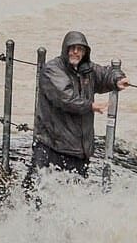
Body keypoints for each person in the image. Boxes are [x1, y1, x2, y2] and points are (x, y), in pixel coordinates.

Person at [31, 30, 129, 178]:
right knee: (34, 193)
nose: (75, 52)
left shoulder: (87, 69)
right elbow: (66, 98)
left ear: (85, 52)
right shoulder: (52, 70)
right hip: (52, 147)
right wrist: (91, 106)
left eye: (80, 49)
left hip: (79, 151)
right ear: (65, 50)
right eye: (72, 48)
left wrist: (117, 79)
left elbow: (106, 73)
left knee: (73, 196)